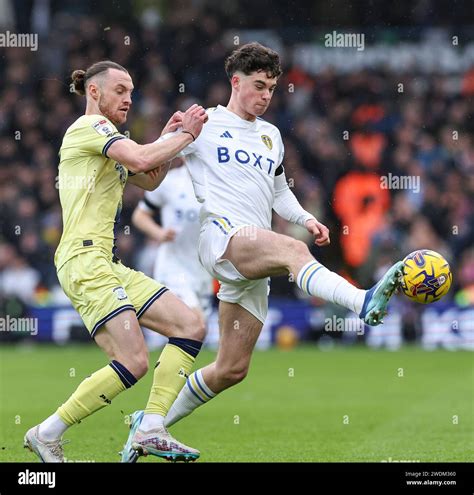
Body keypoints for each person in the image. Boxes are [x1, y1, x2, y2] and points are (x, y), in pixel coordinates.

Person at [123, 43, 403, 460]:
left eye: (271, 87)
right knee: (292, 250)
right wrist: (172, 134)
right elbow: (146, 170)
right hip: (220, 237)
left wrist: (306, 217)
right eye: (258, 85)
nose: (266, 95)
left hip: (252, 248)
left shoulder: (271, 136)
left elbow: (278, 191)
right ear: (235, 82)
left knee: (231, 369)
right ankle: (361, 301)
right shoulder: (205, 123)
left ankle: (149, 425)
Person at [23, 60, 208, 463]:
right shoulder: (89, 128)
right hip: (83, 259)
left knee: (190, 325)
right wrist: (187, 134)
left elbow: (150, 177)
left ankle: (152, 427)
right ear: (94, 92)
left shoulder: (110, 140)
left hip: (106, 262)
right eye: (121, 90)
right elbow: (142, 160)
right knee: (133, 360)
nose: (129, 98)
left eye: (131, 91)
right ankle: (48, 432)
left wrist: (169, 136)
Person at [131, 159, 214, 349]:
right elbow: (139, 216)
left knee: (197, 333)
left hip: (203, 270)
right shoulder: (169, 183)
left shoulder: (219, 183)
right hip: (174, 266)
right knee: (195, 323)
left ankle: (174, 374)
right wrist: (159, 233)